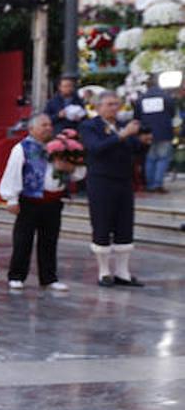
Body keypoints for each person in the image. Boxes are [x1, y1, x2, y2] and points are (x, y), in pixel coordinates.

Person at [0, 114, 84, 291]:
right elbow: (13, 173)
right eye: (43, 125)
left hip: (54, 201)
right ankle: (16, 276)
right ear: (32, 129)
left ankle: (49, 278)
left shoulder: (62, 146)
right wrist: (11, 199)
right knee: (23, 240)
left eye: (50, 125)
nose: (48, 128)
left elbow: (79, 173)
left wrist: (69, 167)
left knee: (49, 241)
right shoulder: (22, 148)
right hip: (30, 201)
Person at [80, 91, 148, 287]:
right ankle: (104, 272)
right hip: (101, 181)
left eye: (117, 104)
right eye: (109, 104)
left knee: (125, 225)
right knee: (102, 224)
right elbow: (96, 148)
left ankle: (122, 272)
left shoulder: (121, 126)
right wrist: (123, 135)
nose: (114, 108)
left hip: (124, 181)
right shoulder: (89, 126)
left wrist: (144, 142)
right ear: (99, 107)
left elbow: (135, 149)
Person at [135, 76, 178, 193]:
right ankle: (157, 184)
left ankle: (150, 184)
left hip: (147, 132)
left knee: (150, 158)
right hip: (164, 131)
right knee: (163, 158)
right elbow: (172, 113)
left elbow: (137, 116)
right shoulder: (166, 97)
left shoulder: (141, 98)